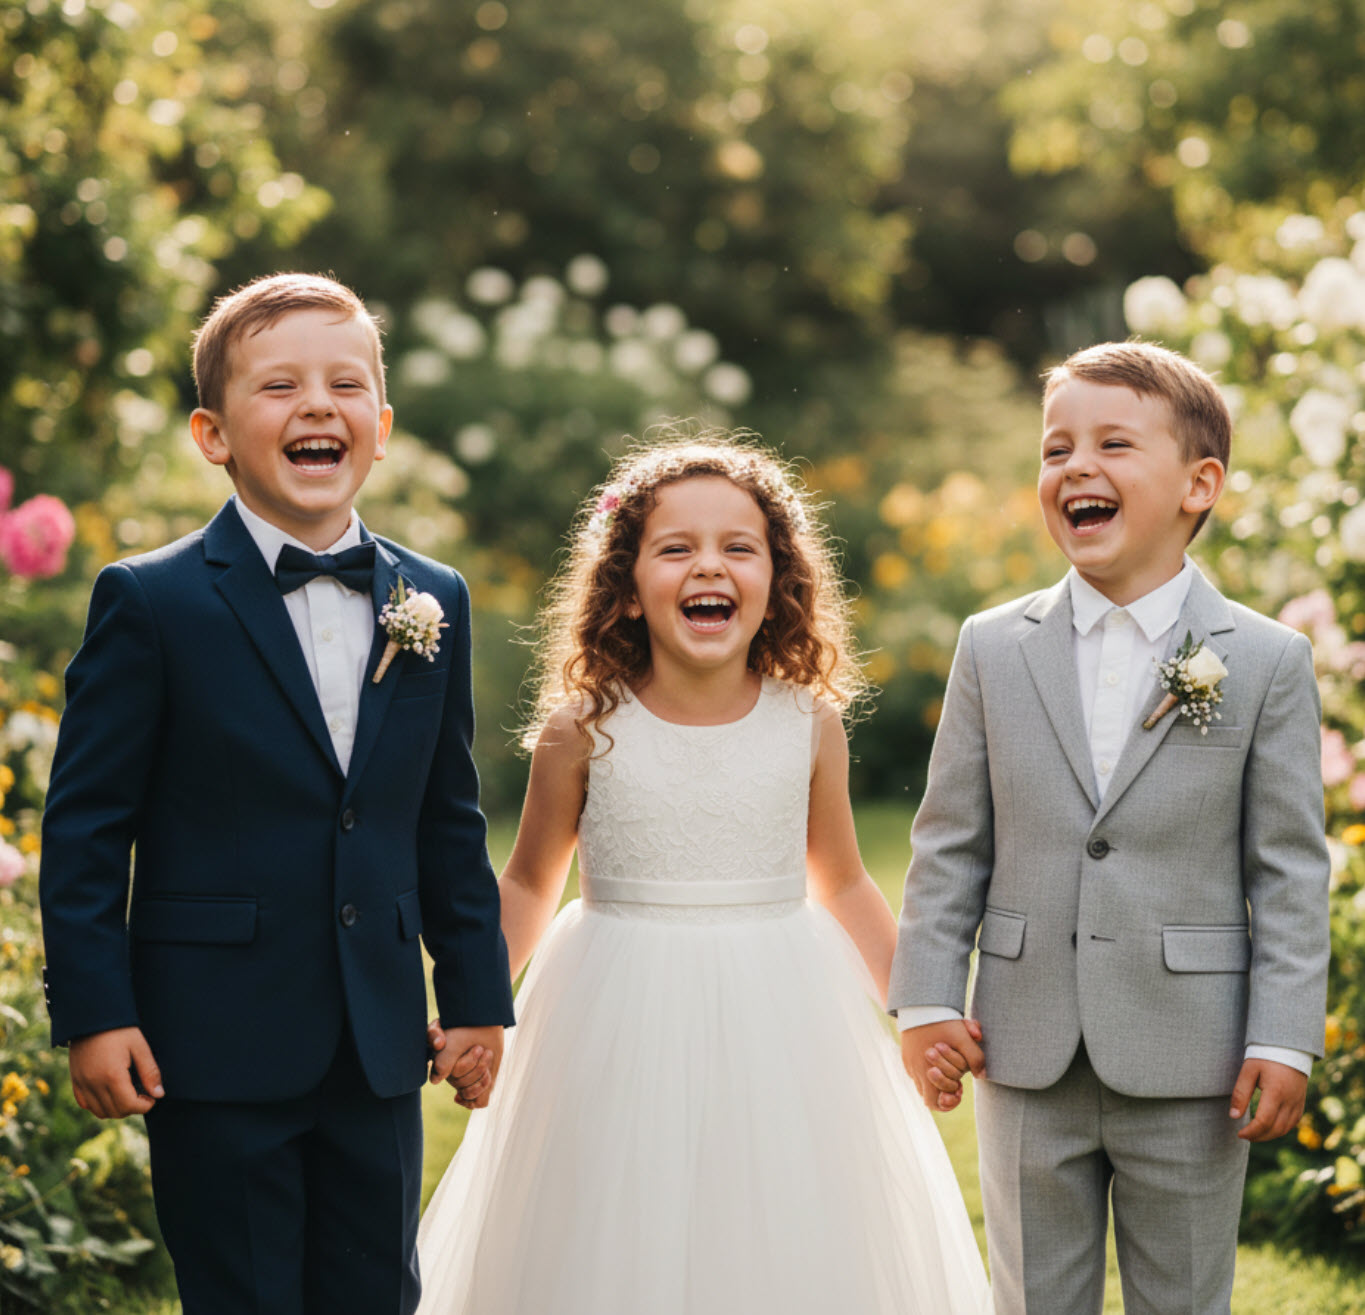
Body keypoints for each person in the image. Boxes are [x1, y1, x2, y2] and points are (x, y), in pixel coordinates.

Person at [415, 431, 991, 1314]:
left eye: (737, 548)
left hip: (782, 1011)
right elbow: (530, 882)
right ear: (626, 587)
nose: (708, 566)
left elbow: (841, 881)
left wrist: (918, 1008)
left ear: (778, 580)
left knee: (776, 1219)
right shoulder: (582, 728)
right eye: (676, 548)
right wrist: (475, 1005)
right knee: (612, 1222)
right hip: (613, 1009)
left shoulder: (808, 723)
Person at [38, 272, 514, 1315]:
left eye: (345, 384)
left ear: (381, 426)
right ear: (212, 434)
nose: (317, 406)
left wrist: (477, 996)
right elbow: (87, 826)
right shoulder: (152, 600)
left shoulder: (430, 597)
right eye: (280, 386)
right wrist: (96, 1012)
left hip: (377, 1040)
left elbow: (446, 815)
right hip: (213, 1039)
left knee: (375, 1290)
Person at [891, 341, 1331, 1314]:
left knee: (1184, 1294)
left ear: (1198, 484)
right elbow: (949, 842)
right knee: (1033, 1296)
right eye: (1056, 449)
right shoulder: (991, 647)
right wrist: (924, 997)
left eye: (1113, 444)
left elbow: (1289, 872)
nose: (1075, 467)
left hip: (1191, 1052)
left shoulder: (1264, 660)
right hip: (1024, 1041)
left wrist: (1284, 1037)